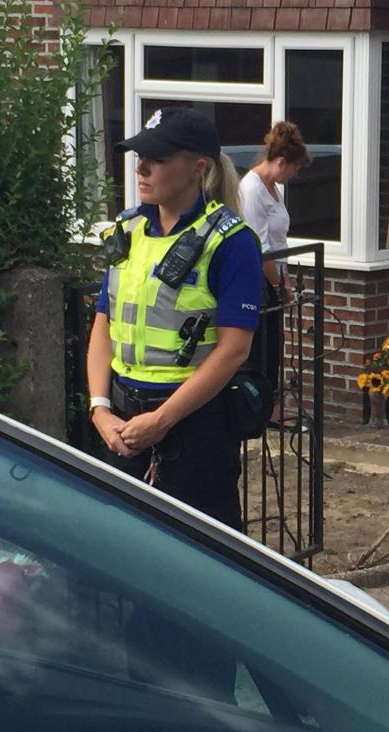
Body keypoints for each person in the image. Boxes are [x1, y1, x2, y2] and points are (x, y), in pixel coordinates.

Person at [86, 107, 262, 700]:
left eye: (157, 158)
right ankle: (149, 700)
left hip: (191, 427)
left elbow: (233, 351)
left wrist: (162, 420)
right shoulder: (126, 230)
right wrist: (99, 409)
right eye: (140, 155)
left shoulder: (231, 242)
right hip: (125, 424)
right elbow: (103, 326)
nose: (143, 167)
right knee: (137, 574)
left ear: (199, 168)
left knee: (201, 577)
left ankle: (209, 704)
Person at [238, 121, 311, 402]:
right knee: (262, 349)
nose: (295, 174)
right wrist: (280, 285)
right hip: (261, 281)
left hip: (276, 277)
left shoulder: (273, 189)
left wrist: (286, 280)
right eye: (295, 168)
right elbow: (262, 247)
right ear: (281, 162)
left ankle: (270, 403)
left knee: (274, 347)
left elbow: (280, 241)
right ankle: (261, 405)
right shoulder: (253, 189)